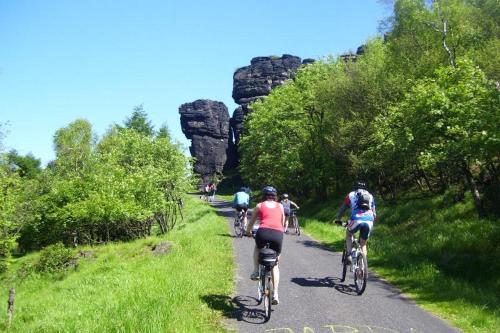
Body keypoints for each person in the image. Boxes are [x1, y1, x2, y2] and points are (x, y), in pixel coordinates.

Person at [246, 186, 285, 305]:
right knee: (275, 264)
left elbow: (251, 222)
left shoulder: (259, 205)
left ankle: (256, 271)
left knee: (258, 247)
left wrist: (247, 232)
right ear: (275, 196)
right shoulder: (281, 206)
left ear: (264, 195)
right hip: (277, 234)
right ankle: (276, 294)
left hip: (263, 232)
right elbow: (282, 222)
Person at [334, 181, 376, 264]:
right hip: (369, 221)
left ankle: (349, 255)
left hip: (356, 219)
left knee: (349, 234)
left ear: (355, 187)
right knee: (363, 245)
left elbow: (343, 208)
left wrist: (337, 218)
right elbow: (374, 213)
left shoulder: (351, 194)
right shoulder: (370, 196)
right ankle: (362, 266)